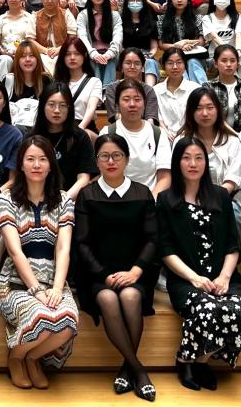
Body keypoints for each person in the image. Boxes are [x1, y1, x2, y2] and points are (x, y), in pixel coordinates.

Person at [158, 137, 241, 391]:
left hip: (223, 277)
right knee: (206, 307)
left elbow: (233, 244)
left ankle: (199, 361)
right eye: (186, 158)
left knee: (234, 308)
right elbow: (165, 250)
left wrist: (225, 277)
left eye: (199, 158)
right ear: (177, 163)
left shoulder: (220, 196)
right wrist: (194, 278)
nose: (193, 163)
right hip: (185, 280)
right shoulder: (166, 200)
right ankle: (186, 360)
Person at [73, 133, 158, 400]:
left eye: (116, 156)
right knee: (109, 299)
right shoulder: (87, 195)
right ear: (96, 161)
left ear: (127, 159)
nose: (111, 161)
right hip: (97, 274)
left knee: (131, 297)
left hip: (135, 272)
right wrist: (104, 274)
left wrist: (136, 271)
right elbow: (81, 243)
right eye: (104, 156)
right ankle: (139, 371)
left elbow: (152, 239)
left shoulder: (142, 193)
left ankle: (127, 368)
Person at [0, 135, 79, 390]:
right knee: (42, 318)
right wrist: (36, 290)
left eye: (42, 159)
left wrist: (57, 288)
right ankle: (16, 357)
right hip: (16, 284)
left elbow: (63, 248)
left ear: (51, 165)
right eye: (30, 159)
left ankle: (32, 358)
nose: (36, 165)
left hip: (53, 281)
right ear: (21, 164)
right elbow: (15, 251)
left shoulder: (63, 200)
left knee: (68, 321)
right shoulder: (7, 199)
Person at [99, 78, 171, 196]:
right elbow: (105, 174)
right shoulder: (107, 133)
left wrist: (150, 201)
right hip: (116, 199)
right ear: (117, 104)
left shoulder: (158, 134)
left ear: (145, 103)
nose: (132, 104)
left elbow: (165, 178)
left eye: (137, 99)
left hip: (150, 199)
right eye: (126, 99)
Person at [178, 87, 241, 208]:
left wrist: (214, 199)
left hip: (224, 201)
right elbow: (176, 174)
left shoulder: (232, 142)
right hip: (187, 200)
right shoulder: (182, 141)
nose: (205, 113)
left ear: (218, 110)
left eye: (210, 108)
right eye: (198, 108)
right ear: (191, 112)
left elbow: (233, 178)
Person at [30, 83, 98, 200]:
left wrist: (63, 201)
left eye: (62, 105)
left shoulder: (80, 137)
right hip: (35, 199)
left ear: (69, 108)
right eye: (51, 105)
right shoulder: (31, 137)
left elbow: (84, 178)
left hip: (70, 200)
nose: (57, 110)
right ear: (43, 106)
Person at [76, 0, 123, 91]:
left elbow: (118, 36)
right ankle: (98, 92)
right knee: (95, 62)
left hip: (111, 54)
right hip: (90, 54)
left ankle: (106, 92)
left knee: (109, 62)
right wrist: (93, 54)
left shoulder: (114, 15)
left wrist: (109, 54)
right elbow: (82, 36)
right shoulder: (83, 15)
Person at [158, 0, 208, 84]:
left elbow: (201, 41)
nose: (179, 0)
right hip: (172, 55)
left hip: (194, 54)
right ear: (170, 0)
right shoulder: (161, 19)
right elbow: (161, 45)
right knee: (179, 63)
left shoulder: (197, 18)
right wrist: (179, 47)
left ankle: (202, 90)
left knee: (192, 62)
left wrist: (186, 43)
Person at [202, 0, 241, 82]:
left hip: (235, 53)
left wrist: (237, 51)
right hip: (214, 56)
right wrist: (228, 52)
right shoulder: (207, 18)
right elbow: (214, 37)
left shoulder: (237, 16)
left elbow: (239, 35)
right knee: (227, 61)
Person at [54, 37, 102, 137]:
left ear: (84, 55)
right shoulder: (57, 82)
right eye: (68, 54)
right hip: (61, 127)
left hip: (85, 128)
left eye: (77, 53)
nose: (72, 57)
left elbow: (91, 107)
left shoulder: (94, 82)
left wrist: (80, 128)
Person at [205, 44, 241, 133]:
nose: (228, 64)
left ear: (237, 64)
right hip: (215, 135)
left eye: (232, 61)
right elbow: (210, 118)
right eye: (224, 61)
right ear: (215, 63)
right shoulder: (208, 87)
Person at [154, 47, 201, 140]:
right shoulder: (156, 90)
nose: (175, 67)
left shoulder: (195, 88)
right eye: (170, 63)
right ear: (164, 66)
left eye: (179, 62)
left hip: (190, 136)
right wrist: (164, 131)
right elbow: (158, 116)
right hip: (164, 136)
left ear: (185, 65)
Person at [4, 40, 51, 129]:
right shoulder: (9, 80)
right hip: (14, 130)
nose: (27, 59)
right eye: (23, 56)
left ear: (37, 58)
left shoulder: (46, 80)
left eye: (31, 56)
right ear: (17, 60)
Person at [104, 48, 159, 124]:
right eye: (128, 63)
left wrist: (142, 128)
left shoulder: (149, 90)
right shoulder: (112, 88)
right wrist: (132, 127)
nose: (132, 67)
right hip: (119, 127)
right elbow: (115, 115)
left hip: (145, 128)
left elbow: (150, 118)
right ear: (121, 66)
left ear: (142, 67)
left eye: (137, 63)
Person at [119, 0, 161, 86]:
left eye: (138, 0)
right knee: (130, 63)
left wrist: (147, 56)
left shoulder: (151, 22)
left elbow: (154, 47)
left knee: (150, 62)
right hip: (126, 55)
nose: (135, 3)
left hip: (146, 55)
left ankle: (149, 89)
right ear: (127, 2)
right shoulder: (121, 20)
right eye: (132, 0)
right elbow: (120, 44)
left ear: (143, 2)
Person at [32, 0, 77, 71]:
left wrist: (59, 49)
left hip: (63, 51)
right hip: (42, 53)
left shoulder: (66, 14)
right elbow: (30, 40)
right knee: (42, 60)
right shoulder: (35, 16)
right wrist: (46, 51)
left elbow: (72, 38)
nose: (49, 1)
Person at [0, 0, 37, 66]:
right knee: (5, 59)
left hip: (25, 54)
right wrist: (4, 52)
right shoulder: (0, 19)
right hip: (5, 54)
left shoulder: (29, 18)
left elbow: (31, 41)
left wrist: (21, 52)